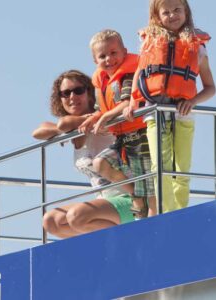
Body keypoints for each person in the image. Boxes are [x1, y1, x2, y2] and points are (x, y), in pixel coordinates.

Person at [124, 0, 216, 212]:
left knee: (182, 170)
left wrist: (192, 101)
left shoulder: (197, 47)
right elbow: (139, 73)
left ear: (186, 12)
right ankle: (168, 215)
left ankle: (180, 213)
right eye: (166, 12)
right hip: (154, 112)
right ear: (157, 16)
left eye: (177, 10)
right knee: (160, 167)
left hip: (183, 114)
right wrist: (132, 101)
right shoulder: (150, 43)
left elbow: (210, 87)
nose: (172, 15)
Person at [32, 70, 135, 238]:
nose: (72, 96)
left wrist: (78, 123)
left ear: (89, 92)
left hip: (129, 198)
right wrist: (66, 131)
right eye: (65, 93)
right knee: (51, 220)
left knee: (76, 217)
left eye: (78, 90)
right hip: (105, 202)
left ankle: (126, 241)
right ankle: (109, 243)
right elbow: (38, 132)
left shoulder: (102, 117)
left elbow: (64, 122)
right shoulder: (72, 129)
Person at [79, 29, 157, 218]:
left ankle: (152, 221)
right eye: (102, 56)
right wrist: (93, 118)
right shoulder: (102, 81)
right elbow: (101, 108)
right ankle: (134, 194)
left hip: (140, 136)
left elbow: (127, 101)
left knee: (149, 188)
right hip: (122, 138)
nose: (109, 59)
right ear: (95, 61)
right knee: (100, 163)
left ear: (124, 51)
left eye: (113, 53)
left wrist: (105, 117)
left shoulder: (129, 75)